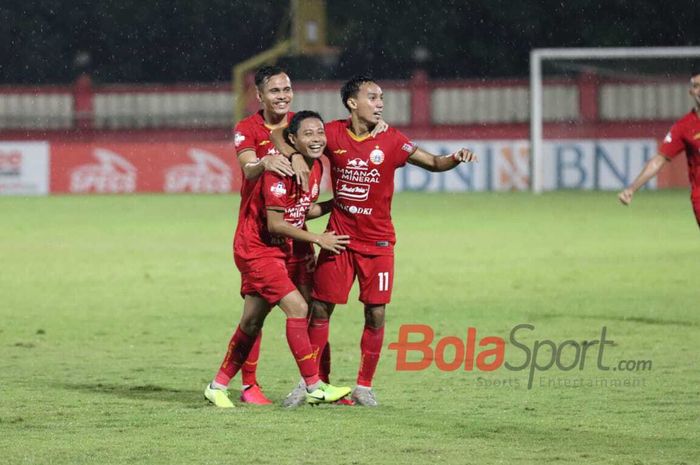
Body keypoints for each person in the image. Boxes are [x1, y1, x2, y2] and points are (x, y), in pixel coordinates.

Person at [271, 75, 478, 407]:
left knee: (376, 313)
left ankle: (363, 387)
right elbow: (282, 133)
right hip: (338, 239)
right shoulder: (333, 132)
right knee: (321, 308)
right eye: (373, 97)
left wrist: (455, 157)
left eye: (381, 97)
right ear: (353, 103)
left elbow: (435, 163)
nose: (380, 103)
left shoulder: (393, 140)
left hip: (379, 244)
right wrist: (295, 157)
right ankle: (311, 382)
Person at [204, 111, 352, 408]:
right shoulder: (278, 170)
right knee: (297, 306)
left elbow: (301, 210)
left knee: (252, 320)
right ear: (293, 140)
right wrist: (319, 239)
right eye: (307, 134)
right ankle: (314, 386)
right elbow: (276, 223)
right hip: (257, 248)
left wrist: (334, 204)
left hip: (279, 249)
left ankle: (217, 386)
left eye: (319, 133)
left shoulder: (318, 168)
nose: (316, 139)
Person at [618, 70, 700, 229]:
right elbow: (659, 160)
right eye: (696, 86)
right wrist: (632, 188)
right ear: (691, 92)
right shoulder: (683, 127)